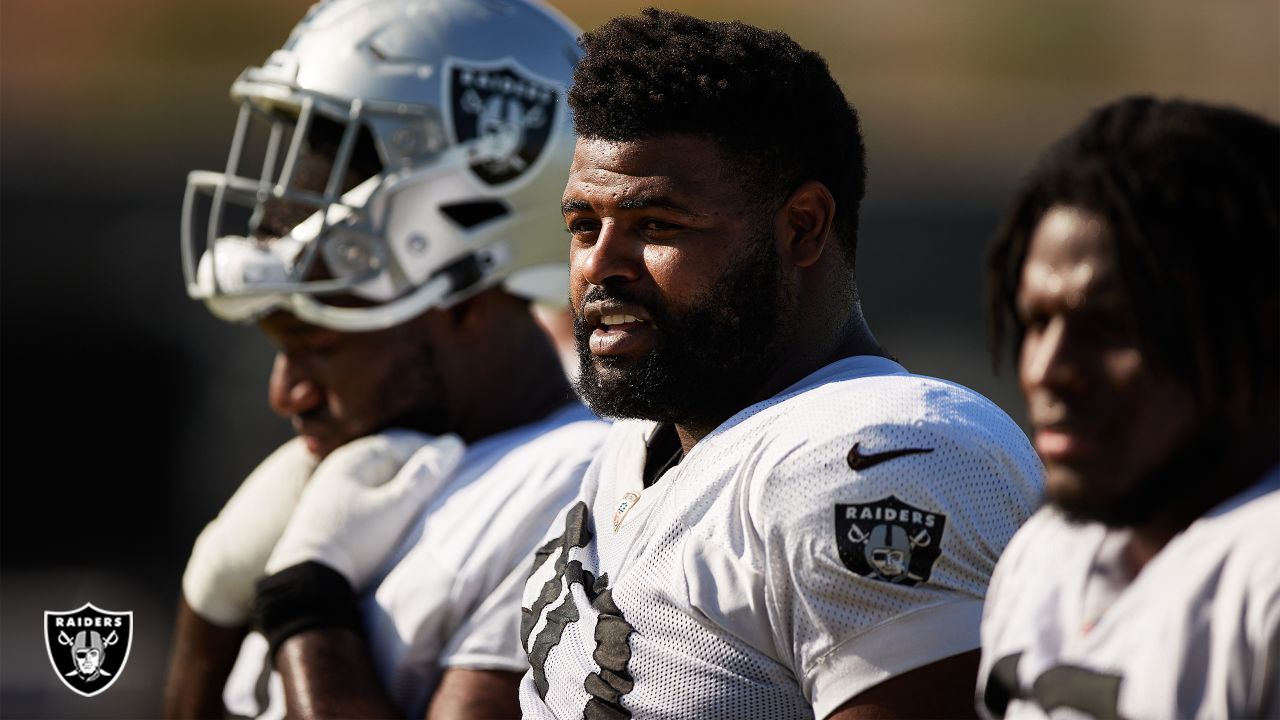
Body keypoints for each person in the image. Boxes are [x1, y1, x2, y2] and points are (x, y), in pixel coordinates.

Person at [517, 9, 1044, 719]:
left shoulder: (880, 458)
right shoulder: (646, 437)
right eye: (584, 226)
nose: (599, 266)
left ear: (802, 227)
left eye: (656, 226)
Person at [162, 1, 610, 718]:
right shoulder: (367, 468)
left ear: (465, 305)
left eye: (320, 344)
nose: (287, 394)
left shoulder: (574, 487)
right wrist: (207, 609)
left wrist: (306, 605)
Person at [978, 96, 1279, 719]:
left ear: (1255, 327)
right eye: (1037, 321)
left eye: (1109, 326)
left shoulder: (1263, 573)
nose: (1046, 371)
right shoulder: (1045, 554)